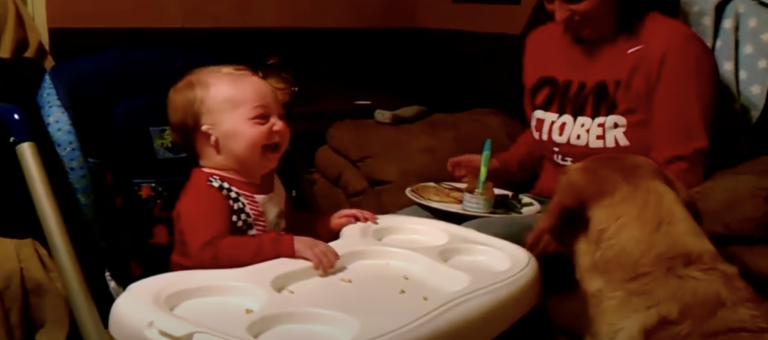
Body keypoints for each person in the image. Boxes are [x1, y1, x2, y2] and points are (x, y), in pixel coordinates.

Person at [400, 0, 718, 247]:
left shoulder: (674, 46)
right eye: (550, 1)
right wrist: (499, 166)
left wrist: (580, 220)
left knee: (477, 240)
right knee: (402, 226)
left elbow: (680, 171)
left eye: (574, 0)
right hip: (536, 202)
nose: (559, 16)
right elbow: (548, 130)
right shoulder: (541, 42)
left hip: (610, 214)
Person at [167, 65, 376, 272]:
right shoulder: (207, 192)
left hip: (261, 282)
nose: (280, 126)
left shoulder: (267, 178)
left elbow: (282, 226)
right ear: (211, 138)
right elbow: (206, 253)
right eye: (262, 118)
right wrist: (287, 246)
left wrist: (324, 225)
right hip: (207, 291)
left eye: (282, 117)